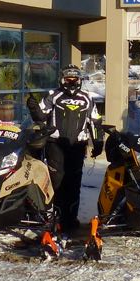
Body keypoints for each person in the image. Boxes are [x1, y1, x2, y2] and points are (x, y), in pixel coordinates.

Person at [26, 65, 103, 231]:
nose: (72, 82)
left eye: (75, 79)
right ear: (62, 80)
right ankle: (57, 219)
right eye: (69, 79)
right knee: (58, 182)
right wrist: (33, 107)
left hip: (77, 147)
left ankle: (71, 219)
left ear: (80, 80)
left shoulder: (87, 98)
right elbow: (40, 117)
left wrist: (98, 142)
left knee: (74, 183)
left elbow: (95, 121)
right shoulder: (53, 95)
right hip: (55, 145)